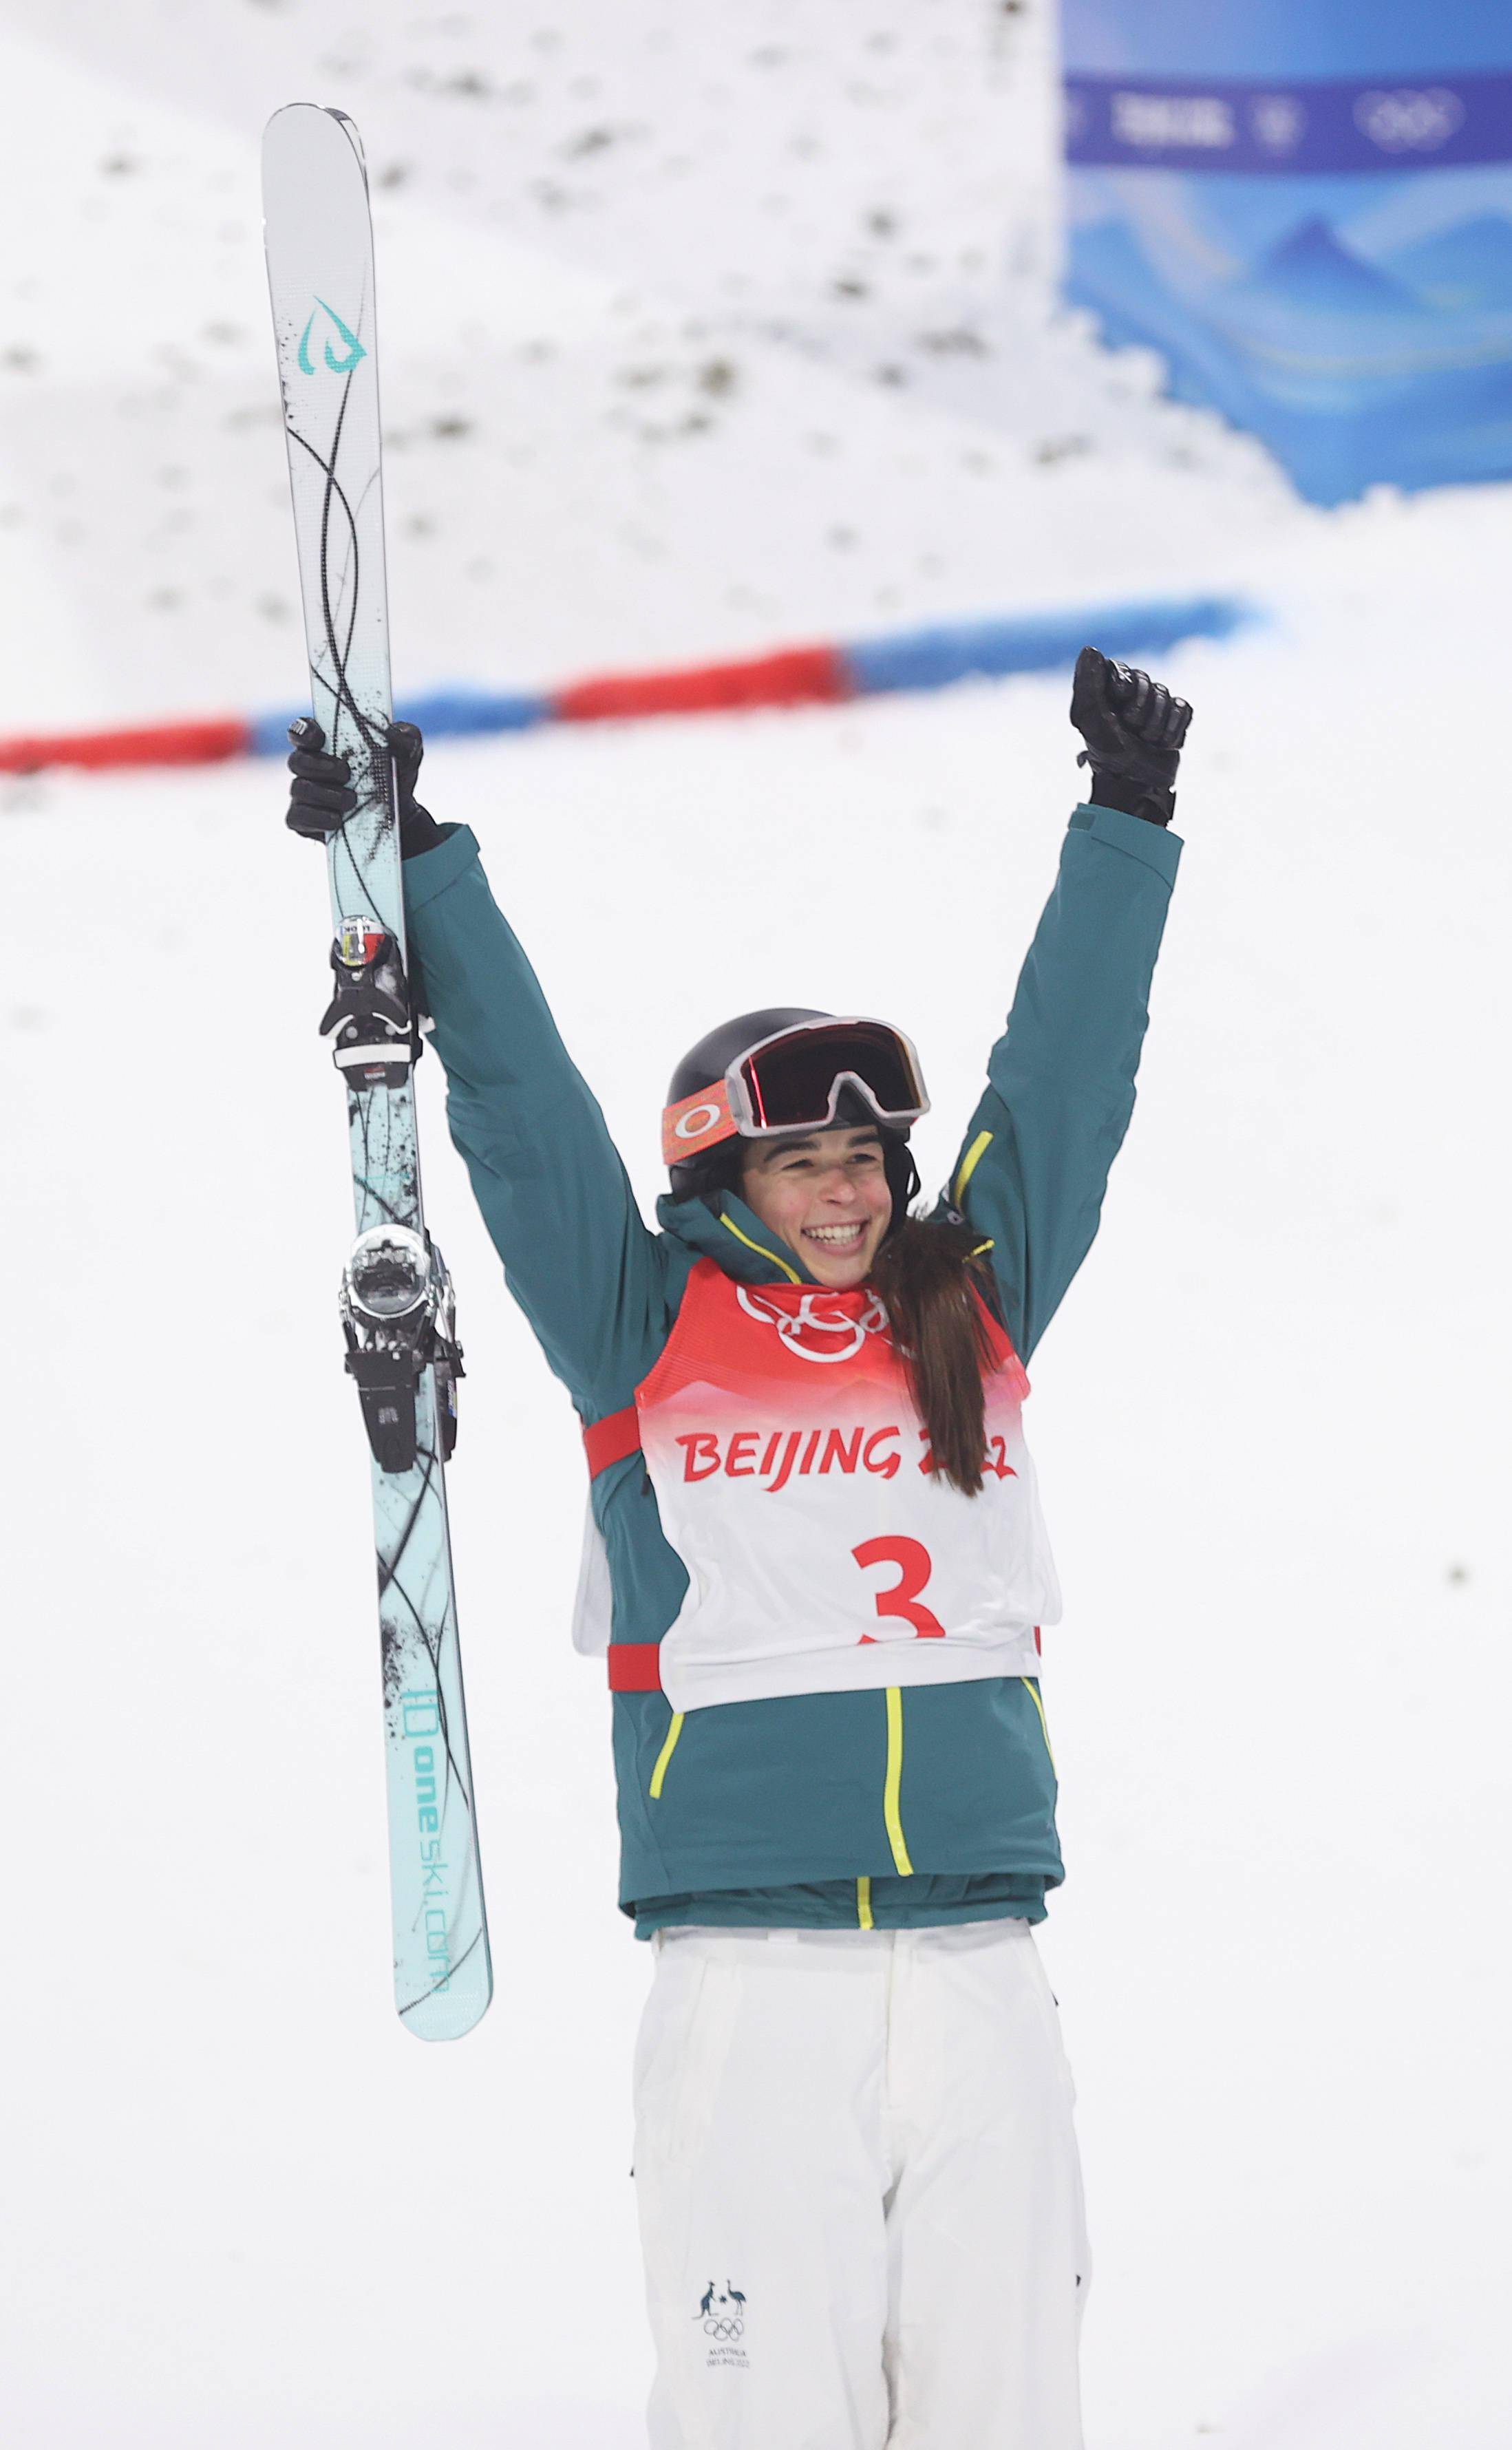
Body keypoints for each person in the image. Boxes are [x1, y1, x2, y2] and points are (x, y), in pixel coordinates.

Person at [286, 646, 1191, 2450]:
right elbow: (529, 1117)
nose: (851, 1192)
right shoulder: (642, 1324)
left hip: (984, 1967)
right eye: (804, 1163)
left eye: (869, 1157)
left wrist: (1128, 823)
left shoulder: (973, 1305)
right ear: (725, 1187)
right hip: (753, 1978)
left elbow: (1067, 1086)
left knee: (1009, 2413)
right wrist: (422, 866)